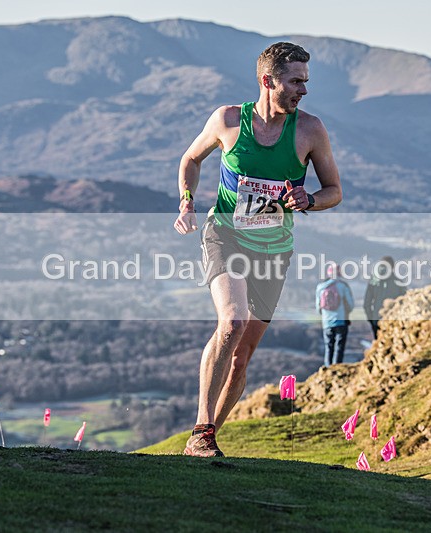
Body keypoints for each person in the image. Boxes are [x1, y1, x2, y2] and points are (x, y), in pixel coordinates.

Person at [173, 42, 342, 457]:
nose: (303, 90)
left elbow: (334, 191)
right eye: (295, 81)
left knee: (241, 357)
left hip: (274, 249)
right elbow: (191, 159)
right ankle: (201, 429)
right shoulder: (228, 120)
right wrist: (187, 200)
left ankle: (208, 434)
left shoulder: (310, 130)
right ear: (268, 81)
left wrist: (309, 200)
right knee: (231, 322)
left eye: (306, 81)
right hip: (225, 234)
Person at [316, 262, 354, 366]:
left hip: (327, 322)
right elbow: (350, 305)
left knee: (329, 346)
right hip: (341, 320)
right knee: (339, 347)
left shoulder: (320, 287)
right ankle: (336, 368)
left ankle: (328, 368)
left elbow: (318, 308)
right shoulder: (343, 286)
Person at [363, 256, 404, 339]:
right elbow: (404, 301)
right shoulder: (398, 281)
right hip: (393, 320)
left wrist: (371, 319)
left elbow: (367, 303)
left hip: (376, 319)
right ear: (392, 267)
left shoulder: (373, 281)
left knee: (379, 346)